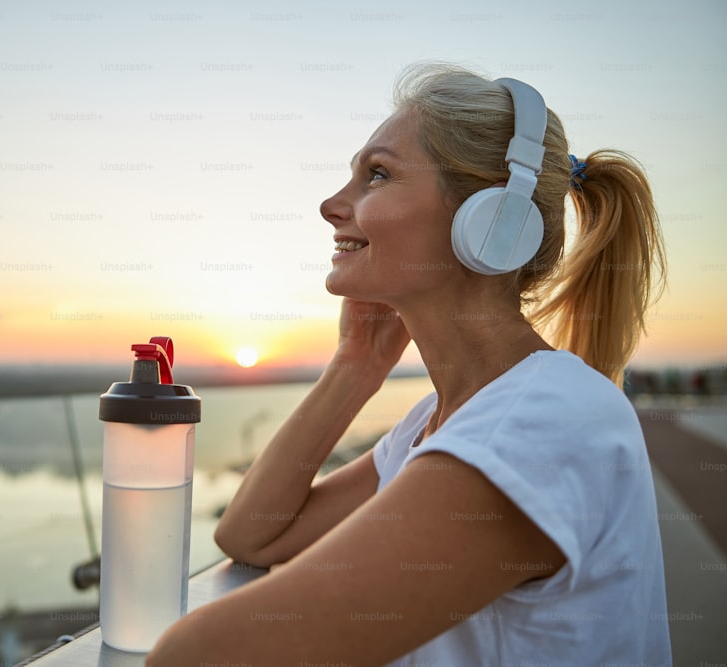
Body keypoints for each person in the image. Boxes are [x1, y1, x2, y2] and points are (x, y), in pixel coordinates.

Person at [147, 63, 670, 666]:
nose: (331, 205)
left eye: (377, 175)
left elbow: (199, 655)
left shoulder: (543, 421)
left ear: (492, 220)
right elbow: (251, 533)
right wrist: (355, 366)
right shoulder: (443, 421)